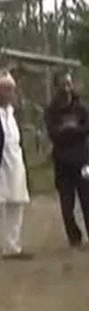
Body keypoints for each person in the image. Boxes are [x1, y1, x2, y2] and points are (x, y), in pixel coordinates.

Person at [44, 72, 89, 250]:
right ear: (56, 87)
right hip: (62, 163)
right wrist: (73, 130)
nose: (66, 87)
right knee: (66, 204)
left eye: (68, 83)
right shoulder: (52, 110)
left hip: (83, 161)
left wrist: (70, 129)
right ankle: (74, 237)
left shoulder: (82, 107)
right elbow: (53, 133)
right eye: (62, 84)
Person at [0, 70, 33, 260]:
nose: (9, 94)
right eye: (5, 90)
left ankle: (12, 246)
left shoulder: (13, 114)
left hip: (15, 163)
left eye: (11, 90)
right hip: (1, 164)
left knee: (16, 203)